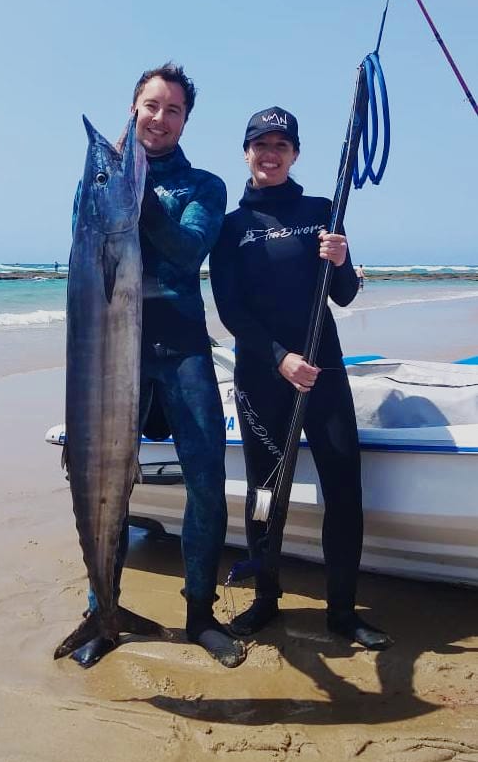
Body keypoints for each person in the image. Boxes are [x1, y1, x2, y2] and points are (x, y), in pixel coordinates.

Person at [72, 63, 246, 668]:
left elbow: (188, 249)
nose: (160, 118)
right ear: (134, 109)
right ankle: (102, 611)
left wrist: (134, 193)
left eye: (174, 110)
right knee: (102, 477)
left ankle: (200, 615)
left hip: (182, 351)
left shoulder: (204, 186)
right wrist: (116, 183)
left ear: (185, 121)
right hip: (110, 358)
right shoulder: (98, 182)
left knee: (207, 484)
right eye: (151, 106)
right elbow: (83, 259)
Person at [210, 106, 392, 650]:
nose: (271, 154)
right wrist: (280, 358)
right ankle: (266, 599)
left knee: (344, 487)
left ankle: (342, 612)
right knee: (265, 491)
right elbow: (231, 311)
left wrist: (340, 260)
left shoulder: (322, 210)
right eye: (261, 145)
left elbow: (344, 295)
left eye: (281, 145)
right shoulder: (230, 227)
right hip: (264, 374)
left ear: (294, 153)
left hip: (323, 371)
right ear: (246, 152)